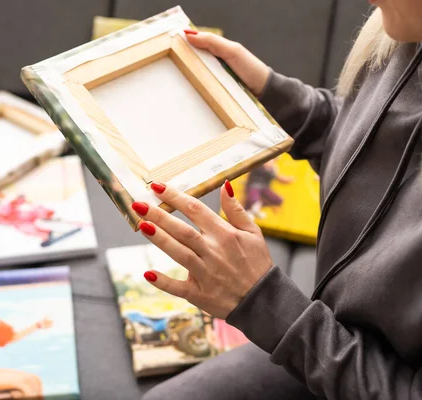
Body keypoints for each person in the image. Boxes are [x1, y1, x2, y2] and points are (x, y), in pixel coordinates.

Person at [132, 1, 422, 399]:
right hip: (327, 342)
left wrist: (264, 301)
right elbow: (374, 148)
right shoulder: (406, 35)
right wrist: (269, 94)